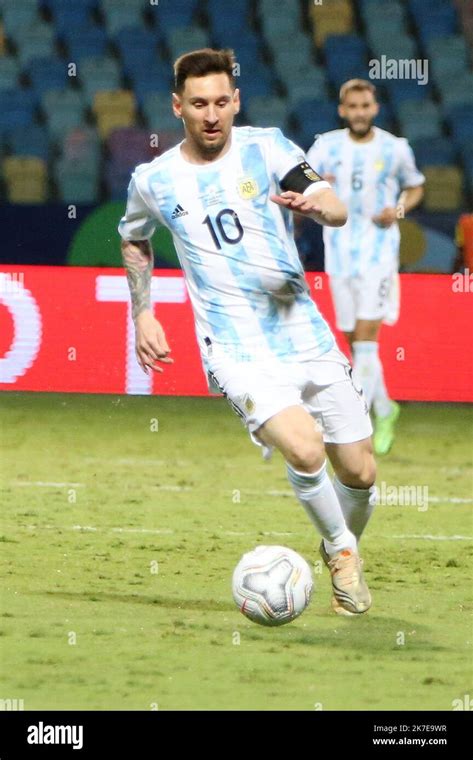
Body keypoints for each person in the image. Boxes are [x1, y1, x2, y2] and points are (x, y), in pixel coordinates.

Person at [118, 49, 377, 616]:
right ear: (177, 106)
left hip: (303, 330)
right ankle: (341, 556)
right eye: (198, 104)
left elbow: (334, 205)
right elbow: (135, 238)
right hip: (233, 346)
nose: (211, 115)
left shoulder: (268, 147)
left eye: (220, 103)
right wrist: (142, 311)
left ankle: (339, 539)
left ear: (235, 101)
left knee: (360, 470)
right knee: (306, 448)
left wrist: (316, 208)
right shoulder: (155, 180)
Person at [307, 79, 425, 456]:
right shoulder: (326, 146)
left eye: (365, 105)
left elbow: (416, 186)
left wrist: (400, 210)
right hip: (339, 253)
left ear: (375, 108)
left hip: (379, 254)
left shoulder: (394, 148)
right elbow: (302, 177)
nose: (359, 112)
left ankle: (352, 429)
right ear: (343, 110)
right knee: (354, 341)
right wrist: (317, 187)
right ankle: (386, 409)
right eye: (352, 106)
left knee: (367, 340)